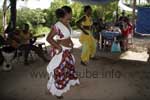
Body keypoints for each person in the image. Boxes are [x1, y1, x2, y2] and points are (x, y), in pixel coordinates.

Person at [46, 6, 79, 99]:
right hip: (62, 50)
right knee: (59, 70)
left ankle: (67, 83)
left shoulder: (67, 23)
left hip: (67, 50)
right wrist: (59, 47)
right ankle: (57, 91)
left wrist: (71, 44)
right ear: (67, 14)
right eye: (71, 13)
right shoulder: (57, 25)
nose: (72, 15)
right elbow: (49, 38)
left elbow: (67, 37)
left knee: (69, 67)